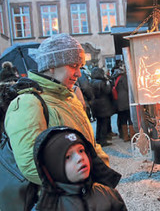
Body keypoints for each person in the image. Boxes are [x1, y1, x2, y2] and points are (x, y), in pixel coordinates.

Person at [4, 33, 110, 186]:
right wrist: (77, 184)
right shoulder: (29, 102)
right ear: (51, 66)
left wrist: (103, 172)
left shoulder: (69, 97)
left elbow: (90, 144)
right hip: (62, 197)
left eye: (80, 67)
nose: (79, 73)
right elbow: (31, 164)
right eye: (73, 66)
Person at [33, 126, 127, 211]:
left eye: (81, 150)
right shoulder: (49, 207)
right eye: (68, 157)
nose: (80, 158)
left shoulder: (107, 194)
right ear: (54, 168)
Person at [90, 67, 114, 146]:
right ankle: (103, 140)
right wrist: (108, 83)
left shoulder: (91, 81)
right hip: (104, 105)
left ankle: (98, 138)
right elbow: (108, 91)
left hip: (95, 105)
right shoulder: (101, 82)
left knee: (99, 123)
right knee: (104, 123)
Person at [112, 61, 135, 142]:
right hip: (126, 100)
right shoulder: (123, 78)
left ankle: (125, 136)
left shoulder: (115, 78)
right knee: (130, 118)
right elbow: (128, 88)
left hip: (119, 101)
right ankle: (133, 136)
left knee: (123, 119)